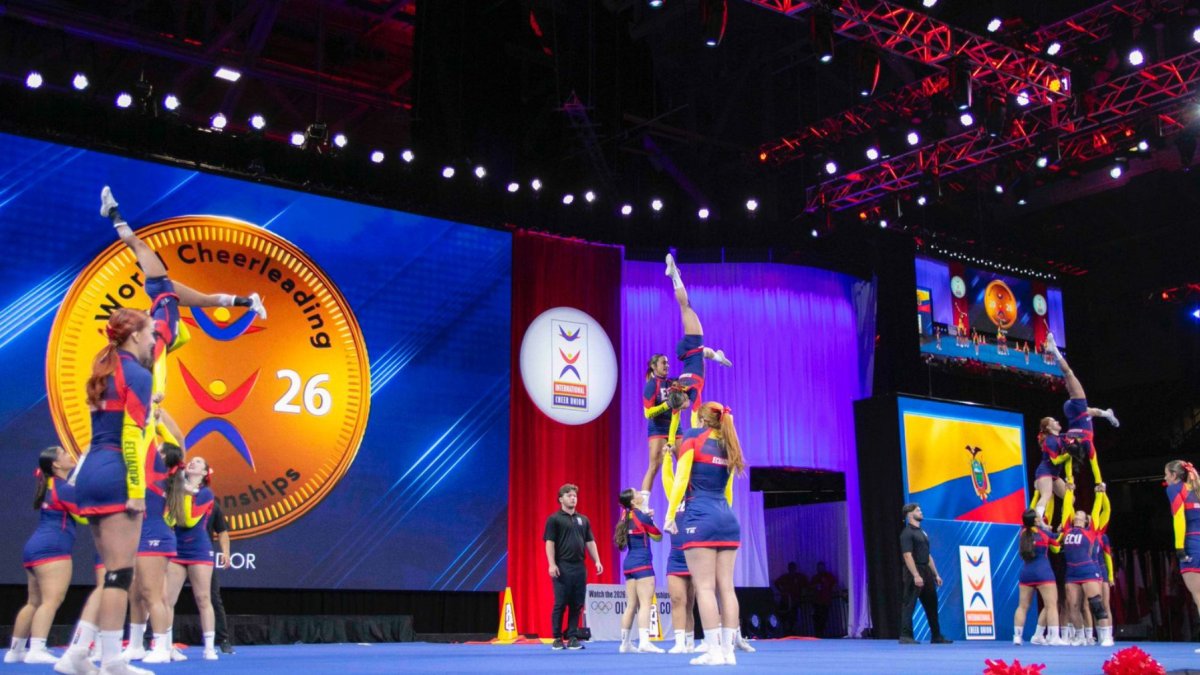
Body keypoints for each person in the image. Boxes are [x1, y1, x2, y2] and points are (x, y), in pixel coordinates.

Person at [664, 401, 744, 666]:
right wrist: (721, 517)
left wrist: (670, 513)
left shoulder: (693, 438)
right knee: (727, 588)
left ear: (701, 419)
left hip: (700, 517)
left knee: (705, 587)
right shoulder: (729, 442)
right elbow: (729, 492)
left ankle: (713, 651)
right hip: (727, 518)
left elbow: (681, 478)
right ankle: (729, 653)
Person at [6, 447, 83, 665]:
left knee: (34, 602)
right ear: (56, 465)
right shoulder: (64, 489)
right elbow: (84, 513)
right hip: (53, 549)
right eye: (63, 453)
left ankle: (16, 651)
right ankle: (37, 649)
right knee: (51, 601)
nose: (69, 455)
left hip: (34, 548)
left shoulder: (53, 485)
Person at [1032, 333, 1118, 527]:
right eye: (1053, 421)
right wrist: (1097, 483)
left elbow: (1069, 457)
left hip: (1076, 420)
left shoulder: (1063, 437)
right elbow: (1080, 459)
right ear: (1047, 427)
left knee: (1089, 409)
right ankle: (1054, 351)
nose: (1056, 422)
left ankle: (1063, 523)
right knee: (1069, 374)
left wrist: (1070, 475)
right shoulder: (1053, 440)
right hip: (1073, 427)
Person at [661, 253, 732, 449]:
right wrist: (669, 442)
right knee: (705, 353)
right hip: (689, 354)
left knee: (686, 306)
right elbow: (675, 421)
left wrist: (694, 442)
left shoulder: (692, 391)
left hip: (691, 348)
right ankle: (718, 356)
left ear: (684, 399)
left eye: (682, 406)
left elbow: (694, 419)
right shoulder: (677, 393)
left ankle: (674, 274)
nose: (682, 409)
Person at [163, 456, 218, 660]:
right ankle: (166, 646)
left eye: (199, 462)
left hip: (199, 550)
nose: (193, 462)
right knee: (167, 599)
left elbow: (188, 519)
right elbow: (169, 519)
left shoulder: (205, 493)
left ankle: (210, 647)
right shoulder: (177, 491)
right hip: (177, 549)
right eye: (191, 461)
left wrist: (186, 493)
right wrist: (178, 494)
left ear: (205, 472)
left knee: (203, 598)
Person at [543, 483, 603, 651]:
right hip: (562, 566)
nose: (573, 498)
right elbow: (550, 543)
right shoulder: (554, 519)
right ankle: (556, 638)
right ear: (561, 499)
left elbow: (590, 542)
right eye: (569, 495)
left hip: (579, 567)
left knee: (577, 604)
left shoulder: (583, 519)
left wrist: (597, 560)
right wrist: (552, 564)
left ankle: (572, 637)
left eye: (575, 496)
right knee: (561, 603)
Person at [613, 488, 664, 654]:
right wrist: (651, 519)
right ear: (634, 501)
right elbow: (658, 536)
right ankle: (644, 642)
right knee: (646, 604)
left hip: (628, 565)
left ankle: (625, 644)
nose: (640, 494)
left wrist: (647, 517)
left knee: (631, 605)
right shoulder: (641, 516)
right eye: (637, 493)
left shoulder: (624, 516)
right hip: (643, 564)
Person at [898, 503, 951, 645]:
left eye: (920, 509)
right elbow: (907, 555)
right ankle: (905, 636)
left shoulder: (922, 532)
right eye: (917, 510)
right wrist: (915, 575)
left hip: (926, 571)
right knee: (909, 603)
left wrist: (936, 574)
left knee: (932, 603)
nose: (921, 512)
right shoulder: (907, 533)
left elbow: (928, 555)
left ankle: (936, 636)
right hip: (913, 571)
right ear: (910, 514)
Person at [1013, 508, 1066, 646]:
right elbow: (1057, 543)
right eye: (1039, 517)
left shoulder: (1022, 533)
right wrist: (1061, 531)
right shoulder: (1044, 534)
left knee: (1022, 606)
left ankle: (1017, 637)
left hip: (1026, 573)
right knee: (1051, 605)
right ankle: (1054, 637)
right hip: (1043, 573)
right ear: (1036, 520)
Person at [1061, 502, 1111, 647]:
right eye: (1076, 515)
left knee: (1096, 604)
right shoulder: (1067, 530)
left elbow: (1097, 509)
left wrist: (1100, 492)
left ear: (1086, 521)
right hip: (1071, 572)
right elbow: (1067, 506)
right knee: (1073, 606)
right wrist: (1070, 491)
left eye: (1081, 516)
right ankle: (1080, 636)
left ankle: (1105, 636)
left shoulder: (1091, 531)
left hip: (1087, 570)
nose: (1077, 517)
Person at [1164, 459, 1200, 654]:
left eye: (1166, 474)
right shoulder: (1197, 488)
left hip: (1192, 544)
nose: (1165, 478)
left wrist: (1179, 547)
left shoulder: (1175, 489)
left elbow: (1178, 516)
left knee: (1199, 595)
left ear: (1175, 476)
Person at [639, 354, 674, 502]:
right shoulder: (652, 385)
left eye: (667, 362)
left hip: (674, 427)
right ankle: (643, 505)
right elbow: (648, 413)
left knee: (686, 460)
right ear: (654, 366)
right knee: (654, 466)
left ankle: (683, 501)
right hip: (658, 428)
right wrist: (667, 405)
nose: (667, 365)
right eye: (663, 362)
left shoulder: (673, 383)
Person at [208, 500, 234, 654]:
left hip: (201, 555)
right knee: (165, 599)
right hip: (178, 556)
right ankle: (154, 639)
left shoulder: (211, 504)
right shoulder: (175, 501)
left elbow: (222, 531)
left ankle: (223, 640)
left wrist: (226, 553)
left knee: (212, 598)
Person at [773, 563, 808, 636]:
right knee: (784, 617)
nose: (792, 570)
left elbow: (805, 585)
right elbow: (776, 582)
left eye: (793, 568)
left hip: (795, 601)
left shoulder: (799, 577)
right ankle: (785, 632)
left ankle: (793, 631)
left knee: (793, 617)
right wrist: (781, 591)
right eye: (790, 568)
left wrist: (802, 593)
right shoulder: (785, 577)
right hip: (785, 600)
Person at [810, 562, 838, 638]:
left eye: (822, 567)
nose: (820, 569)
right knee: (816, 618)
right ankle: (817, 634)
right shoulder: (815, 578)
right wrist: (815, 587)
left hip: (825, 601)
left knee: (824, 618)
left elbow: (834, 585)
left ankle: (822, 634)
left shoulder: (828, 576)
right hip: (816, 602)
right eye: (819, 567)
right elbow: (810, 587)